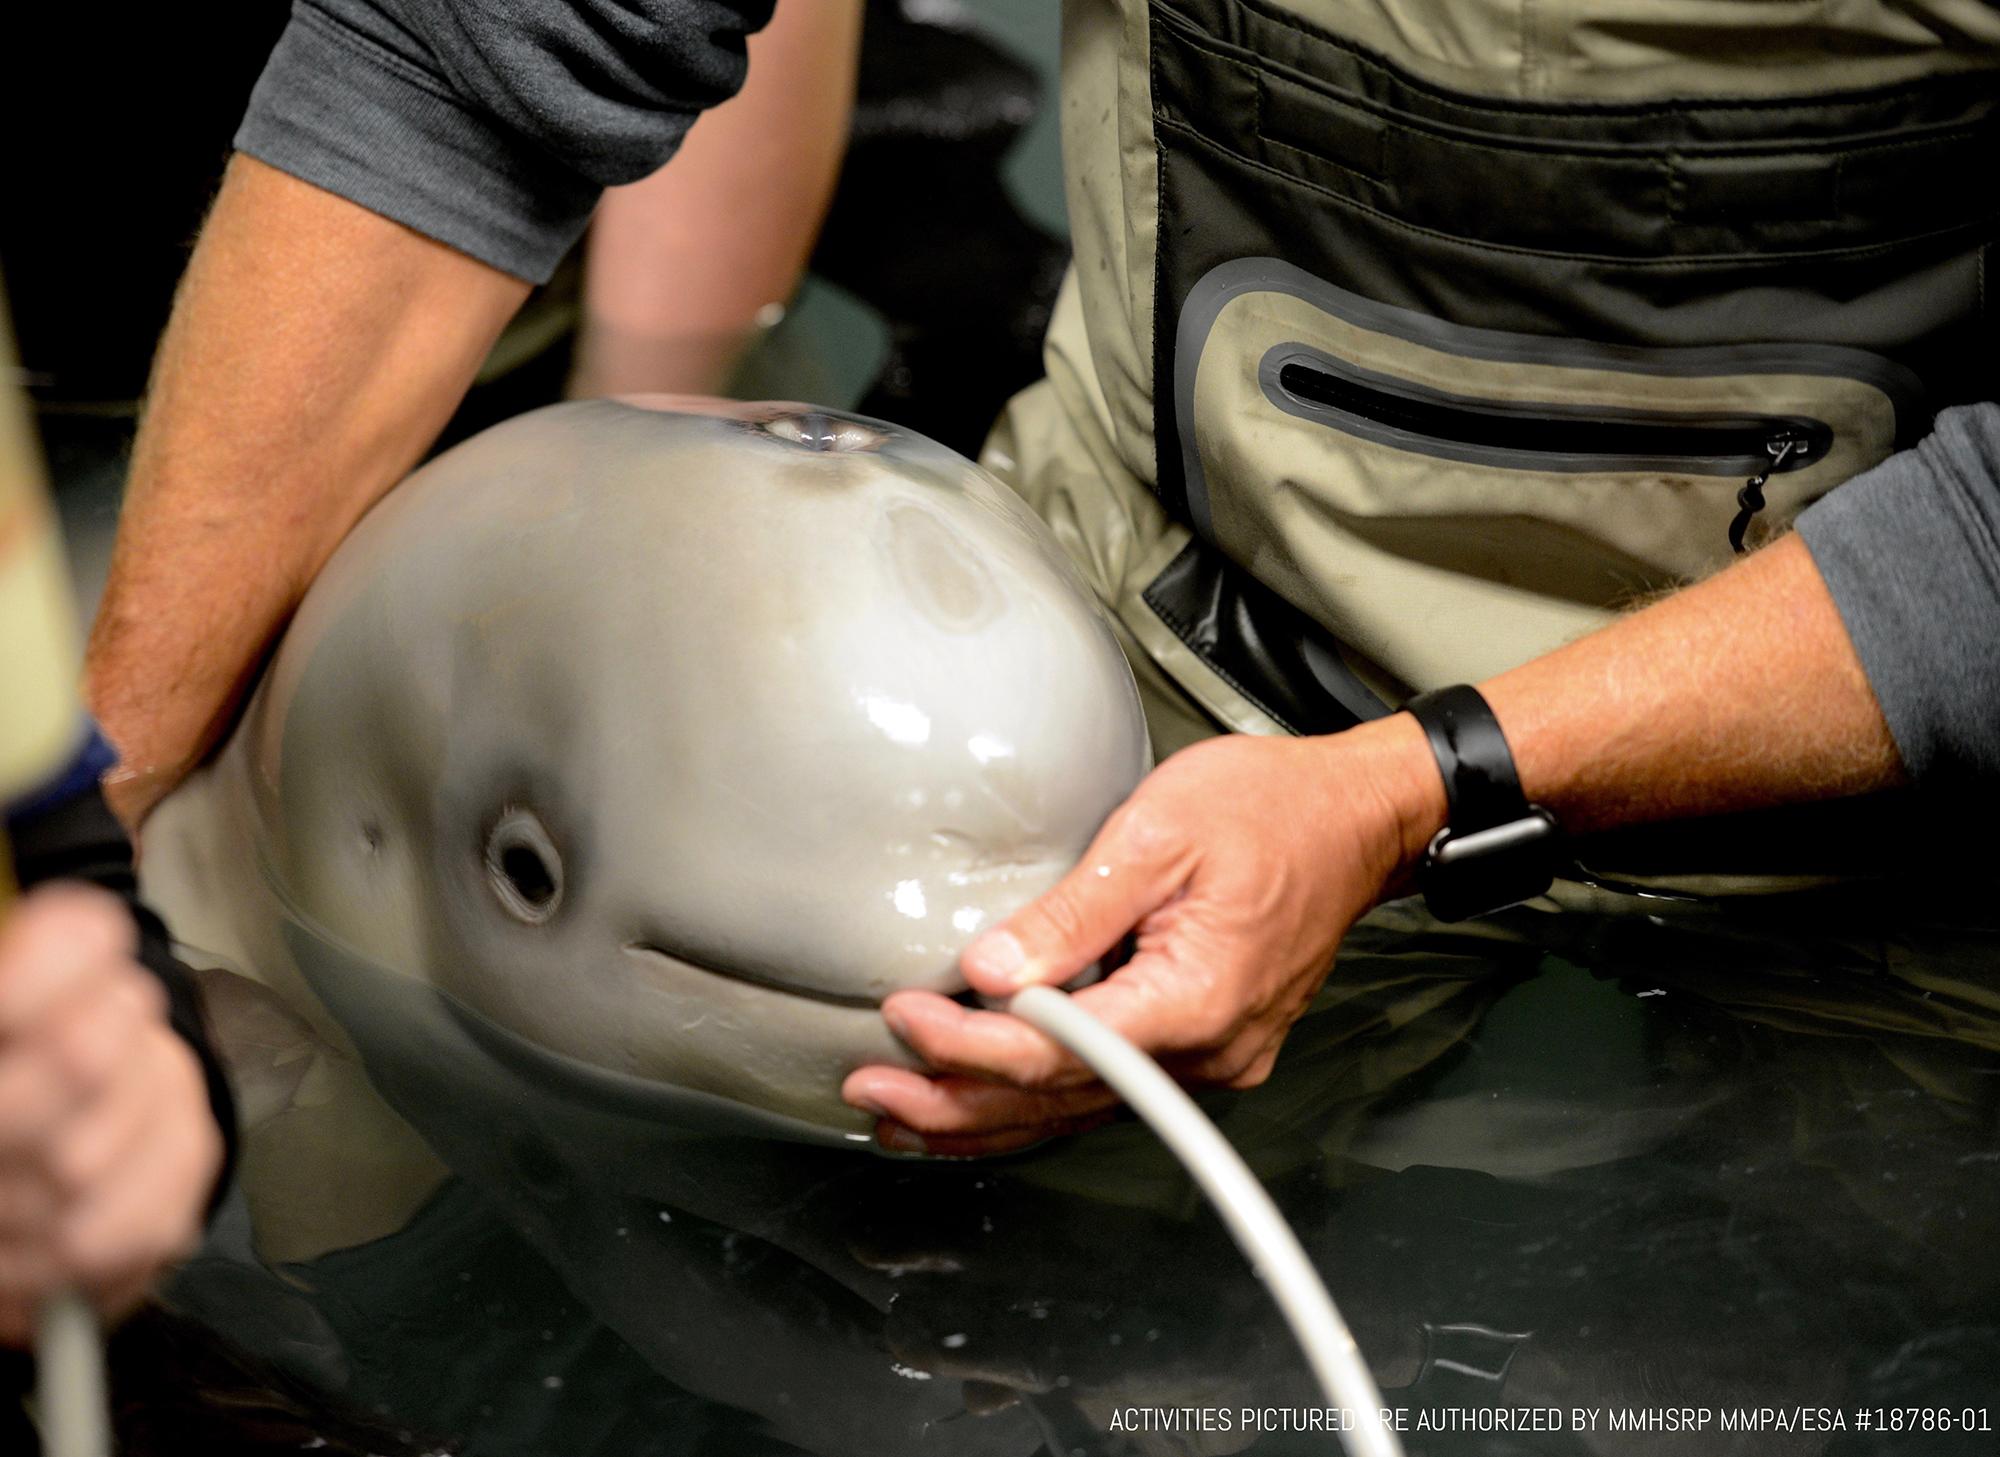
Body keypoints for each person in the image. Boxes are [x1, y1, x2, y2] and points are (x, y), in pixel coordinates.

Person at [84, 0, 1999, 1159]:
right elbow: (469, 63)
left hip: (1868, 806)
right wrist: (95, 833)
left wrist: (1414, 789)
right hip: (1155, 663)